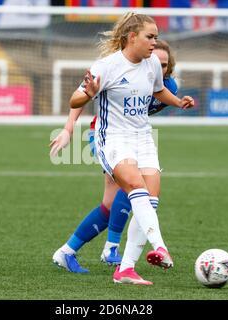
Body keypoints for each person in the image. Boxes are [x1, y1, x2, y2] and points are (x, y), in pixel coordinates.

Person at [52, 12, 194, 285]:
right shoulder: (107, 66)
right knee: (135, 189)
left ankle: (125, 269)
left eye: (156, 37)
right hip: (113, 137)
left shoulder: (152, 64)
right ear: (132, 37)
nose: (155, 42)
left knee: (148, 200)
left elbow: (158, 90)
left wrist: (178, 102)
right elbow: (74, 99)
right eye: (150, 37)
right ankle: (159, 247)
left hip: (143, 137)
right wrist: (84, 102)